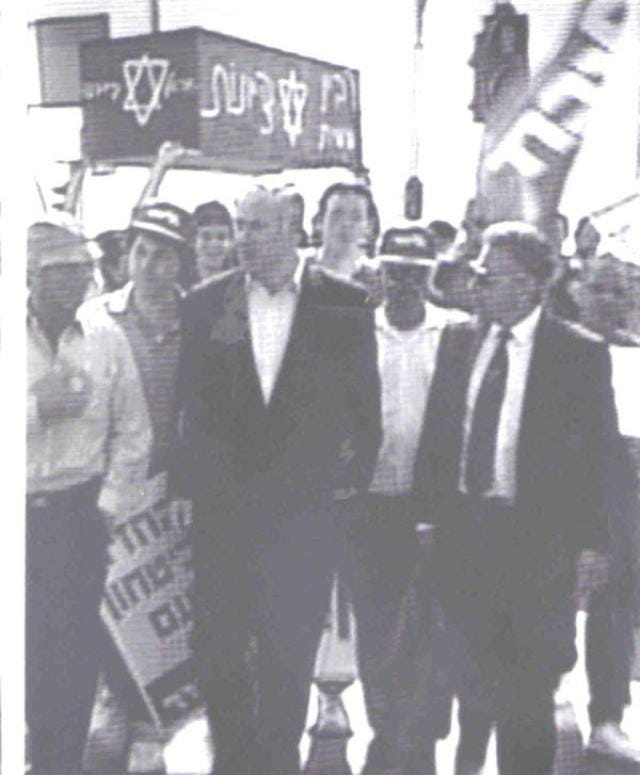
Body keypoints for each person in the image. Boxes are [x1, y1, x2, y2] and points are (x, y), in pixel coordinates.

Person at [175, 185, 381, 775]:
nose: (243, 239)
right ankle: (233, 759)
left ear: (294, 228)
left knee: (288, 652)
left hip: (304, 518)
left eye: (257, 227)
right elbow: (190, 408)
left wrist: (344, 493)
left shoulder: (344, 304)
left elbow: (365, 413)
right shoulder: (205, 303)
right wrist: (196, 491)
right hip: (224, 517)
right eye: (240, 226)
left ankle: (276, 761)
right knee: (218, 649)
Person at [414, 222, 623, 775]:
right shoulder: (459, 342)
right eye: (477, 273)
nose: (477, 284)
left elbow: (602, 457)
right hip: (465, 535)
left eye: (491, 275)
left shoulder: (577, 354)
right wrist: (428, 517)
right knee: (469, 679)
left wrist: (594, 546)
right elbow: (440, 436)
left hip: (537, 546)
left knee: (526, 693)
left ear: (531, 284)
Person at [27, 222, 152, 775]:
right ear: (31, 274)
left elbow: (134, 430)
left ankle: (59, 762)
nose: (76, 281)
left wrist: (108, 506)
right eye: (62, 271)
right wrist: (33, 411)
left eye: (83, 269)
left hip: (79, 515)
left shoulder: (105, 338)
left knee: (74, 656)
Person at [347, 227, 467, 775]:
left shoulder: (454, 334)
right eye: (396, 271)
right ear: (380, 271)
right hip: (367, 502)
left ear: (432, 276)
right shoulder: (355, 331)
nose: (405, 284)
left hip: (428, 506)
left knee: (426, 624)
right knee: (373, 620)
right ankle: (384, 722)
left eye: (417, 273)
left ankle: (418, 736)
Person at [312, 182, 381, 280]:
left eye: (356, 217)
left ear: (369, 227)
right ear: (319, 223)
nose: (346, 224)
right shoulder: (300, 276)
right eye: (337, 215)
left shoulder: (378, 284)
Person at [192, 199, 237, 282]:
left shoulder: (240, 287)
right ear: (193, 241)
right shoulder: (181, 287)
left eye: (221, 237)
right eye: (206, 237)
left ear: (231, 242)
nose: (214, 244)